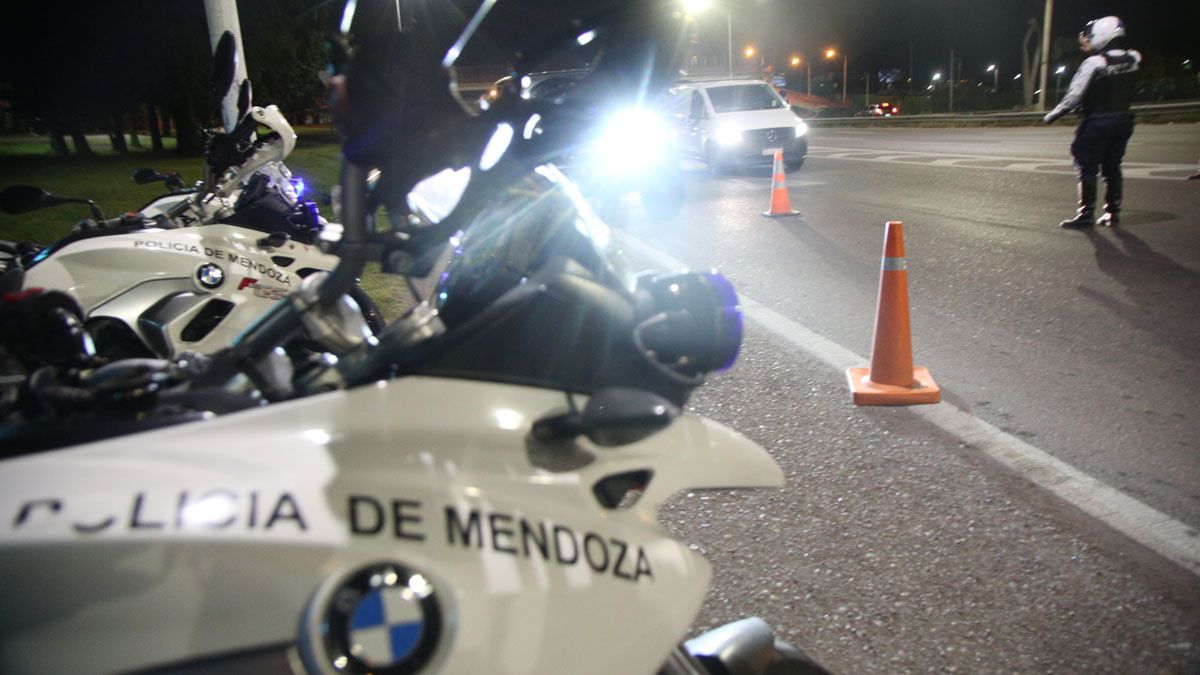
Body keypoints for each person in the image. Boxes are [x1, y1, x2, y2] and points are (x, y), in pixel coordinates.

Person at [1044, 16, 1141, 228]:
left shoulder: (1094, 63)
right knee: (1113, 167)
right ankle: (1112, 212)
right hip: (1123, 120)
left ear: (1102, 35)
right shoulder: (1134, 58)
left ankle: (1086, 214)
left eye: (1091, 34)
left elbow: (1074, 96)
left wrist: (1053, 115)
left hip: (1098, 122)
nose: (1088, 38)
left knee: (1086, 166)